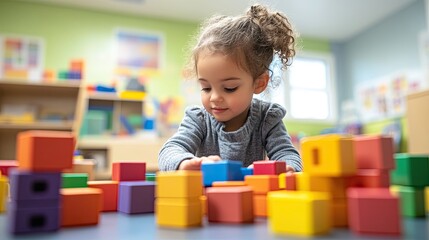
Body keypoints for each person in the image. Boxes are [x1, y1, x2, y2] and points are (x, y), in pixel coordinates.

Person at [158, 4, 302, 172]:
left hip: (248, 196)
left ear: (259, 83)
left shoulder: (267, 119)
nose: (214, 97)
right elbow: (169, 151)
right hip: (205, 196)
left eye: (229, 88)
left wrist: (287, 168)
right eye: (206, 88)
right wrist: (186, 162)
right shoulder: (198, 120)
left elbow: (288, 154)